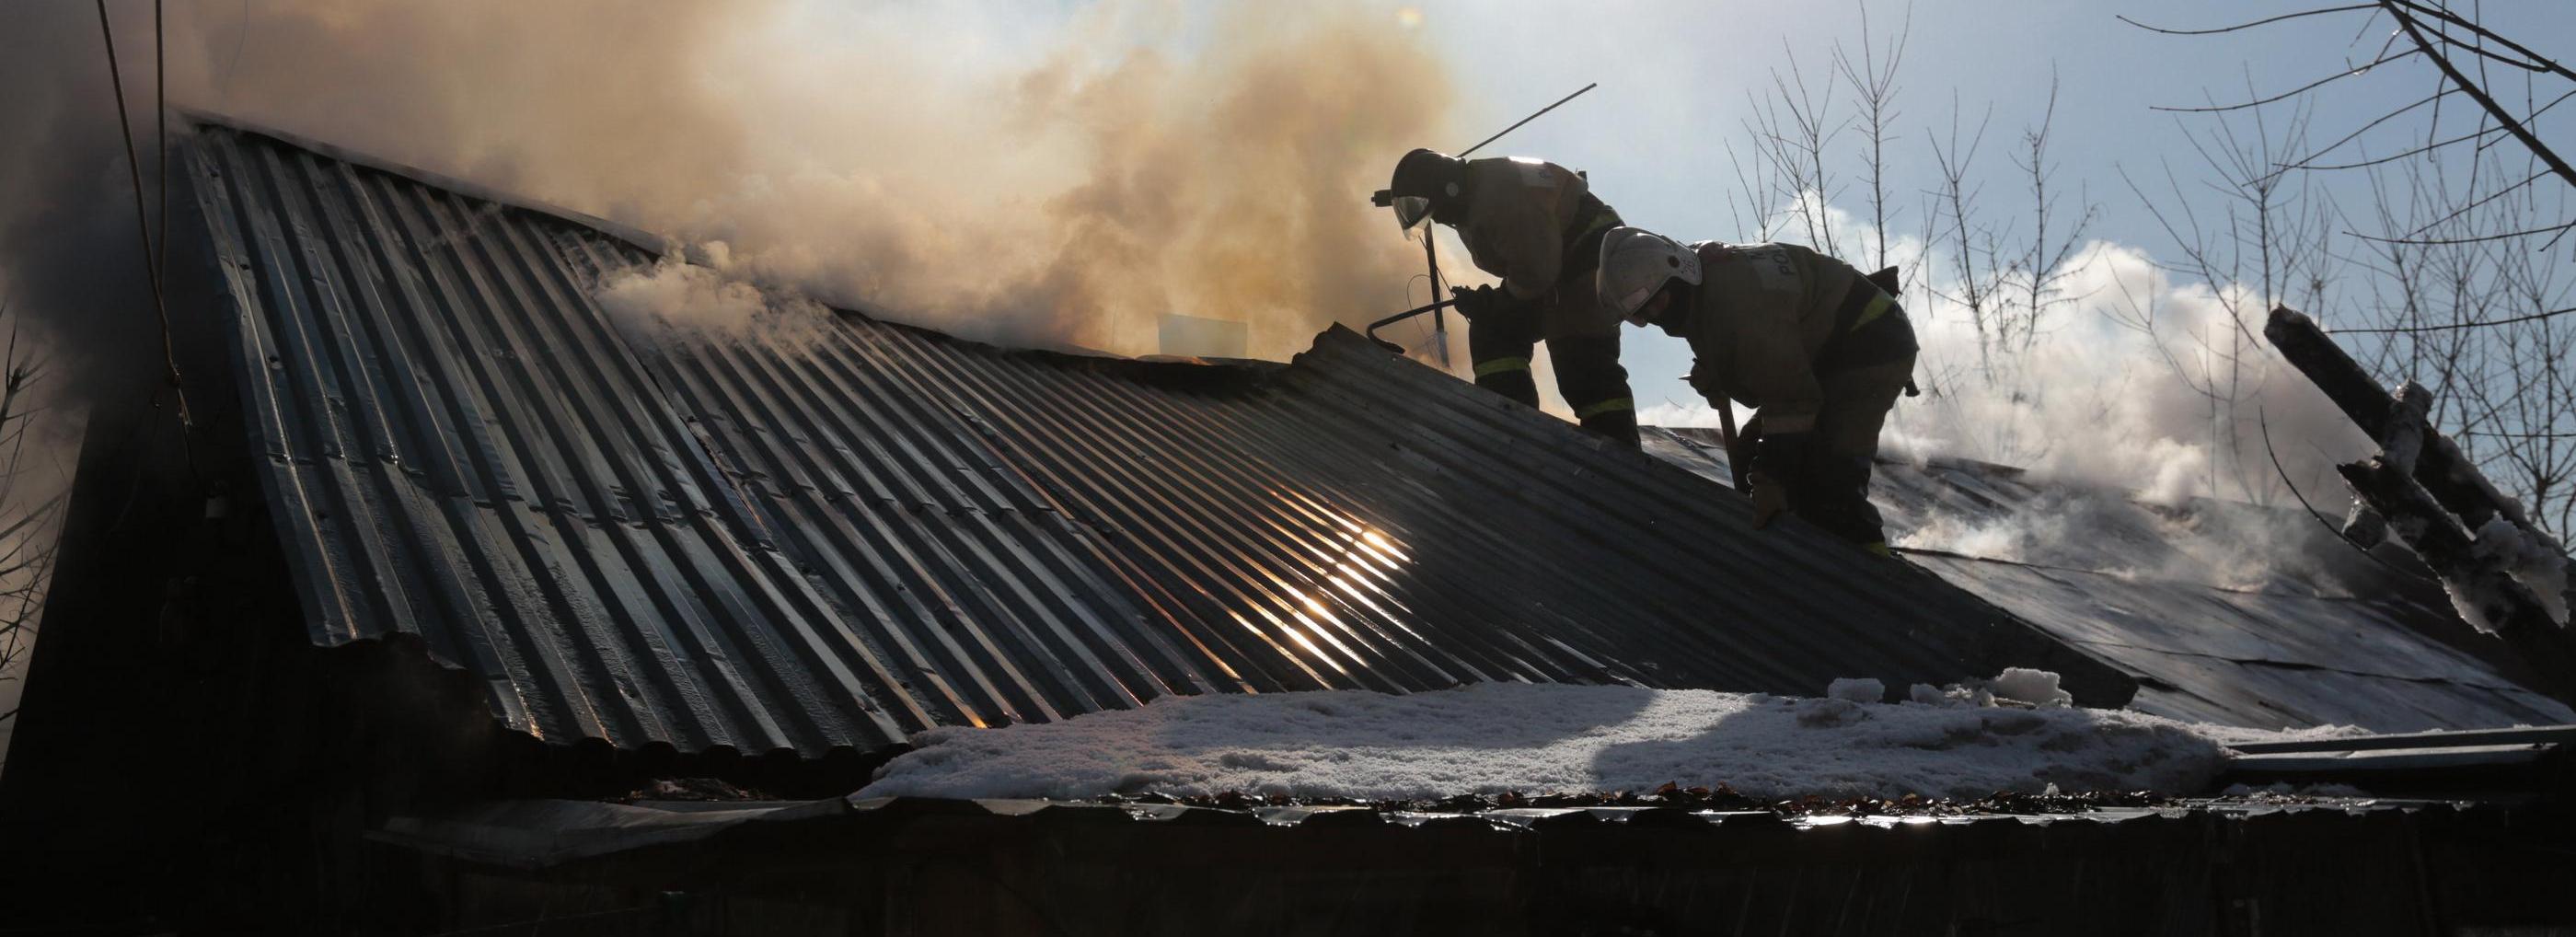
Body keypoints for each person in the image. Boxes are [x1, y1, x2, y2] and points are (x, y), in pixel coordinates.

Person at [1593, 226, 1918, 555]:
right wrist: (1715, 369)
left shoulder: (1738, 302)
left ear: (1676, 275)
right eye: (1644, 314)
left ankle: (1872, 576)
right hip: (1820, 355)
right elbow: (1749, 352)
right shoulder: (1698, 274)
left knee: (1828, 478)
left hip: (1872, 341)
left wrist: (1773, 479)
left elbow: (1791, 398)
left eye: (1657, 303)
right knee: (1751, 457)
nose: (1655, 317)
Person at [1383, 149, 1637, 446]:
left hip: (1591, 260)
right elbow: (1528, 268)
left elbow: (1538, 270)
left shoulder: (1496, 197)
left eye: (1434, 209)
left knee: (1580, 359)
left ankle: (1620, 455)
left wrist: (1495, 302)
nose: (1437, 219)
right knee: (1493, 328)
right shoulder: (1474, 201)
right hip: (1564, 270)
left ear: (1446, 188)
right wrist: (1490, 305)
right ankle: (1509, 431)